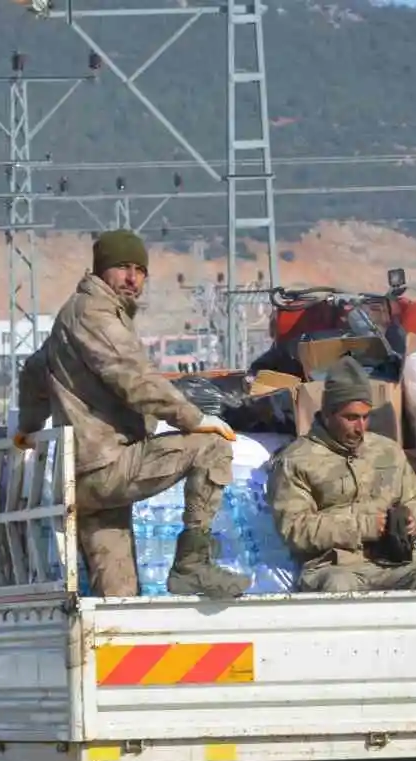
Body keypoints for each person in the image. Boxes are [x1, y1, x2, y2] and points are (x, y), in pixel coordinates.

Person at [14, 229, 248, 600]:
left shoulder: (74, 317)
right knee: (211, 446)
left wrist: (26, 429)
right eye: (122, 267)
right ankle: (192, 564)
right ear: (101, 270)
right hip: (110, 467)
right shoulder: (94, 312)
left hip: (87, 479)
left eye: (140, 270)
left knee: (119, 600)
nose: (132, 278)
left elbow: (34, 371)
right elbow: (134, 378)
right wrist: (195, 419)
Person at [268, 356, 416, 593]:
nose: (360, 427)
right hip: (332, 566)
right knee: (340, 586)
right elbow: (295, 529)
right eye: (351, 417)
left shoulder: (387, 451)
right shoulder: (295, 460)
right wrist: (365, 526)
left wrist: (414, 521)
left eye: (366, 417)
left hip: (393, 563)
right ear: (329, 414)